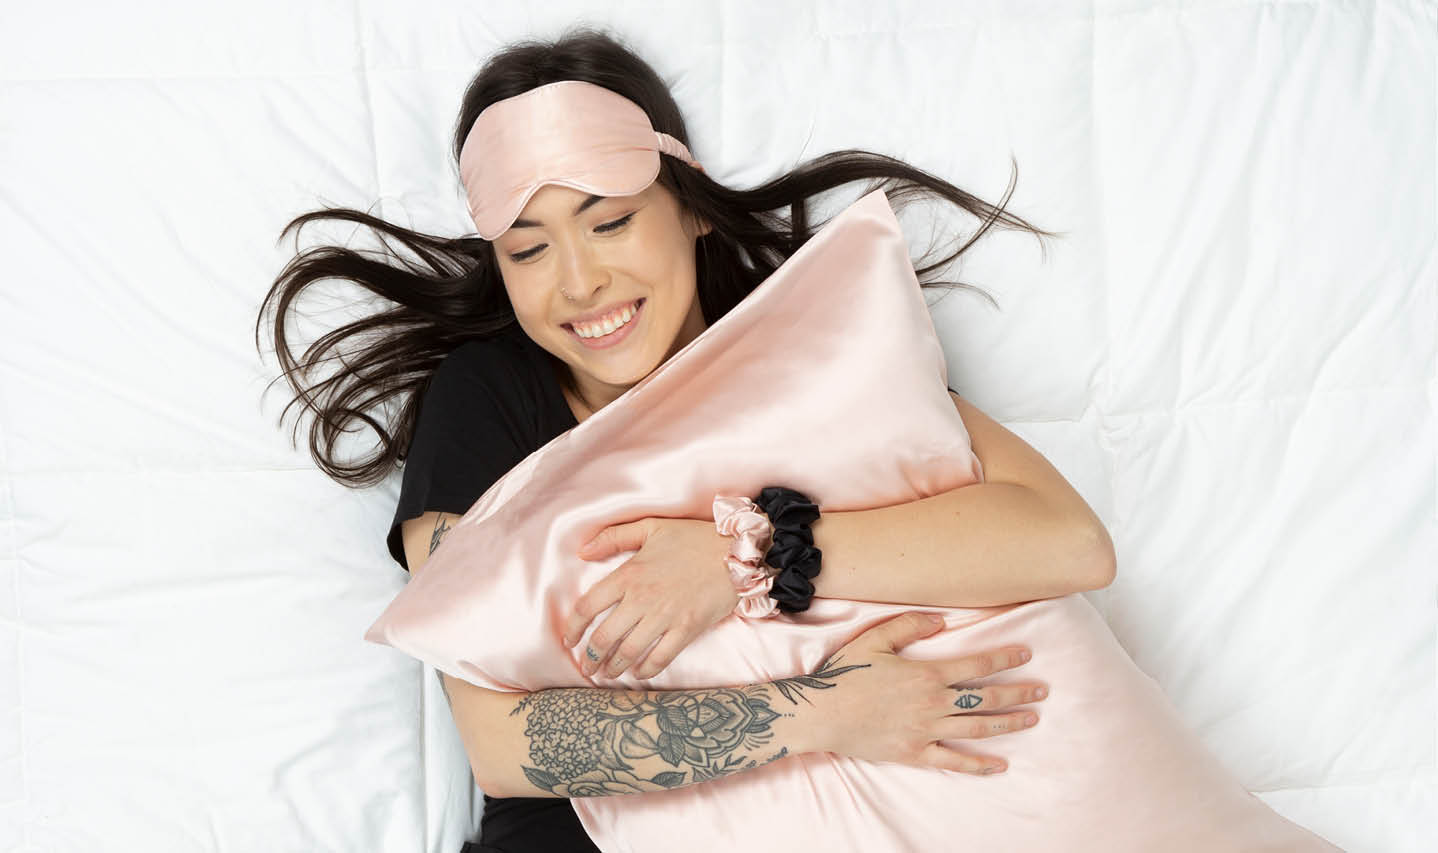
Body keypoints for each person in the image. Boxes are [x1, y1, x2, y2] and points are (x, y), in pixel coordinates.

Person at [257, 25, 1100, 853]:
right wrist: (827, 710)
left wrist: (749, 557)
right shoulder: (488, 400)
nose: (580, 282)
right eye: (528, 249)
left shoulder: (812, 359)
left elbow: (1067, 541)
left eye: (611, 223)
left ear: (690, 209)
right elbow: (503, 744)